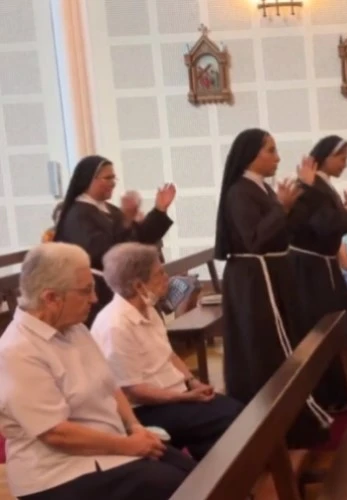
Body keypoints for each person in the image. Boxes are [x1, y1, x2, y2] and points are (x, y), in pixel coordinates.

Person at [0, 243, 194, 500]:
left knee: (195, 473)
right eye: (86, 290)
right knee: (177, 486)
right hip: (58, 473)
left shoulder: (76, 328)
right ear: (51, 298)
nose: (94, 298)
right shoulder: (17, 351)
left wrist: (135, 426)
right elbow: (56, 433)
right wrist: (128, 446)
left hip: (109, 446)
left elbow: (110, 385)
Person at [214, 128, 331, 447]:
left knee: (283, 345)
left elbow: (288, 227)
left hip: (272, 273)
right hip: (255, 279)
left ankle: (290, 420)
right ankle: (269, 427)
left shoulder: (261, 188)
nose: (277, 157)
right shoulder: (239, 192)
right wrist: (281, 207)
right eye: (271, 150)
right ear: (251, 155)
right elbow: (254, 239)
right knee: (264, 350)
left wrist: (306, 191)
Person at [91, 243, 244, 460]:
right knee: (231, 419)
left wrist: (193, 382)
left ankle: (210, 469)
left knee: (237, 411)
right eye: (159, 273)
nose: (167, 277)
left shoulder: (148, 309)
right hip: (146, 409)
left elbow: (169, 354)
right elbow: (134, 391)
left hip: (175, 395)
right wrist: (185, 397)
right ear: (138, 285)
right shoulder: (115, 325)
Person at [289, 135, 347, 412]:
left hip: (323, 267)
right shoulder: (310, 187)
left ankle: (341, 390)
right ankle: (327, 393)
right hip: (310, 271)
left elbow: (344, 225)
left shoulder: (322, 186)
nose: (345, 164)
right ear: (324, 157)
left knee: (338, 326)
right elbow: (325, 225)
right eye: (341, 158)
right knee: (322, 329)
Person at [53, 155, 175, 326]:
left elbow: (139, 240)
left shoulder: (109, 209)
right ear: (89, 179)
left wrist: (159, 210)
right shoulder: (77, 215)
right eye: (108, 178)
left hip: (122, 288)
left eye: (114, 178)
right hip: (100, 293)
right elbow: (103, 253)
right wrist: (125, 220)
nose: (113, 183)